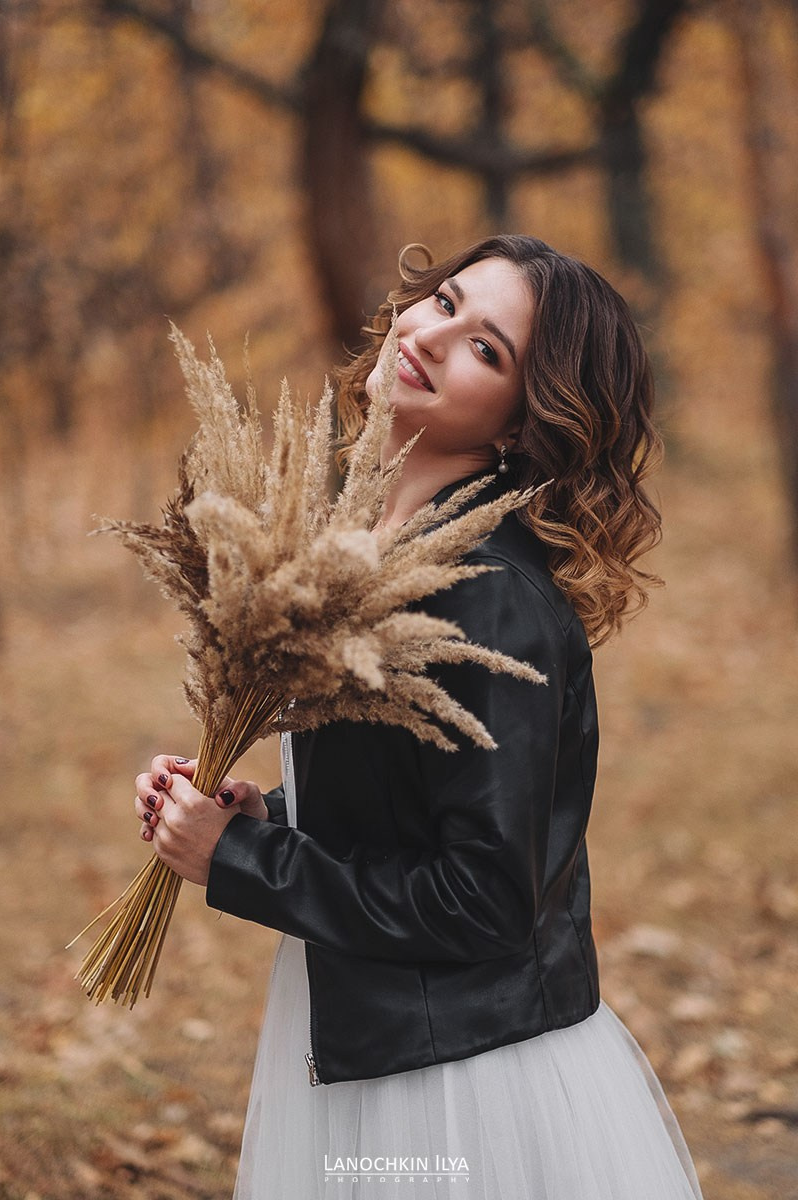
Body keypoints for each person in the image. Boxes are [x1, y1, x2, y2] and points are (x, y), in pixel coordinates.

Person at [134, 235, 704, 1198]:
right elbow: (418, 805)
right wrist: (257, 819)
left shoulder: (492, 597)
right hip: (379, 1031)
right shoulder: (370, 544)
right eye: (443, 303)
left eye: (488, 349)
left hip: (456, 1083)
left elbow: (483, 897)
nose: (434, 338)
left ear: (527, 424)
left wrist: (239, 862)